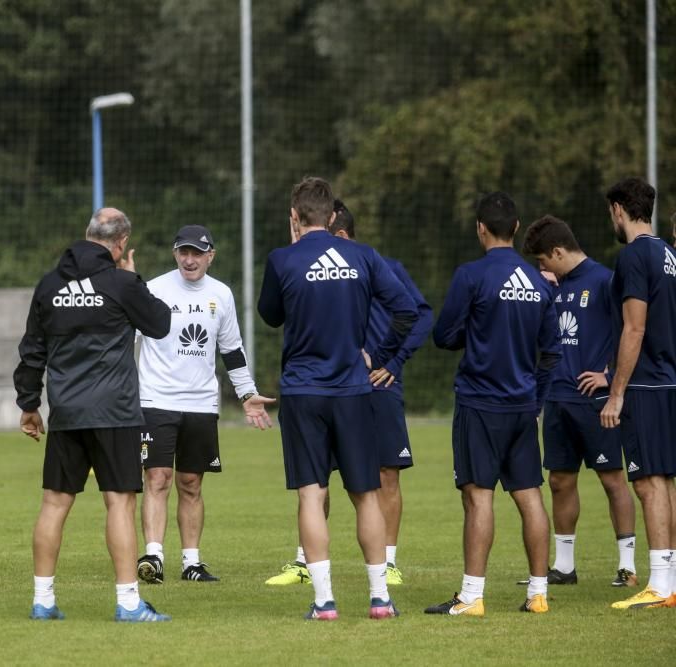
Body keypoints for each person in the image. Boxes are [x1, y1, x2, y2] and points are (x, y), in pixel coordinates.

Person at [257, 177, 418, 620]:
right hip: (353, 389)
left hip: (303, 392)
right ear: (331, 217)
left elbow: (270, 316)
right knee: (365, 494)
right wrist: (378, 356)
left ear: (294, 216)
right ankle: (380, 598)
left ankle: (325, 601)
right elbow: (407, 310)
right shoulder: (363, 256)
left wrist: (293, 254)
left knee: (312, 494)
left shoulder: (282, 259)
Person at [13, 207, 173, 622]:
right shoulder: (122, 283)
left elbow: (32, 350)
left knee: (53, 503)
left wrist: (29, 405)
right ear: (121, 244)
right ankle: (128, 603)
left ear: (87, 235)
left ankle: (43, 601)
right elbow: (159, 324)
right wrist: (135, 279)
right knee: (119, 503)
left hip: (67, 413)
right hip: (115, 412)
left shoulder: (49, 286)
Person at [427, 192, 559, 617]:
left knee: (478, 496)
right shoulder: (539, 281)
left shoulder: (471, 275)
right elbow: (552, 351)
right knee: (530, 496)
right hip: (522, 406)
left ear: (480, 227)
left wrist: (479, 332)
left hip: (480, 404)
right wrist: (535, 399)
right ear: (517, 229)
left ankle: (471, 597)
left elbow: (444, 334)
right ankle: (538, 593)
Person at [135, 225, 274, 585]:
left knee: (192, 482)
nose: (189, 259)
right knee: (158, 477)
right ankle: (153, 556)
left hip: (200, 403)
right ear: (174, 253)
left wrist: (248, 396)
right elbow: (125, 339)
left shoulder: (221, 295)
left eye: (197, 253)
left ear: (210, 256)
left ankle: (191, 563)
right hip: (156, 399)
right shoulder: (153, 289)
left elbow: (232, 350)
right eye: (183, 252)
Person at [520, 215, 638, 587]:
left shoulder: (605, 281)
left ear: (558, 251)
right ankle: (565, 567)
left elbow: (632, 330)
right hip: (557, 398)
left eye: (542, 260)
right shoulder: (552, 286)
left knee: (612, 479)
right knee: (559, 480)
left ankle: (628, 567)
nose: (541, 267)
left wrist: (608, 375)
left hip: (595, 401)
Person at [599, 178, 676, 610]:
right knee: (664, 481)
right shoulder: (670, 254)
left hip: (645, 385)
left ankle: (660, 585)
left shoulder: (632, 256)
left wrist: (616, 393)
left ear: (618, 210)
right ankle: (670, 582)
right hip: (670, 382)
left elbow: (634, 326)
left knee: (647, 483)